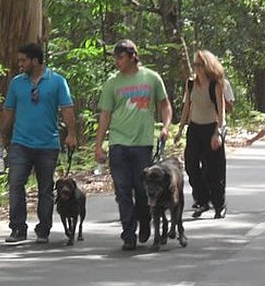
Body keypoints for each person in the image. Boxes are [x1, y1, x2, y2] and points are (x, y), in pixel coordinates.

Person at [0, 43, 77, 244]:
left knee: (45, 189)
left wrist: (72, 133)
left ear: (35, 60)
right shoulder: (16, 83)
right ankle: (18, 229)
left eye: (23, 60)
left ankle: (43, 230)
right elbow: (9, 111)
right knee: (15, 184)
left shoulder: (57, 81)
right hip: (20, 143)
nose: (19, 64)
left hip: (48, 144)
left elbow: (67, 109)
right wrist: (1, 135)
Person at [94, 39, 172, 250]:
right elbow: (105, 114)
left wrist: (165, 127)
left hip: (142, 143)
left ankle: (144, 221)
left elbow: (165, 105)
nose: (117, 62)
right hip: (118, 144)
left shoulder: (151, 78)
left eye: (120, 57)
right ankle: (128, 233)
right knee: (122, 190)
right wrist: (99, 144)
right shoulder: (112, 83)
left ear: (132, 56)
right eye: (115, 58)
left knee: (142, 189)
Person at [174, 50, 227, 219]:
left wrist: (217, 133)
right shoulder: (190, 84)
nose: (196, 68)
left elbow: (221, 111)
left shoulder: (215, 85)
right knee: (191, 165)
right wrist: (180, 129)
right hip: (195, 129)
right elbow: (187, 107)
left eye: (200, 64)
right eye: (195, 64)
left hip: (211, 128)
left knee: (214, 170)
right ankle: (202, 200)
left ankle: (219, 204)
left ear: (207, 66)